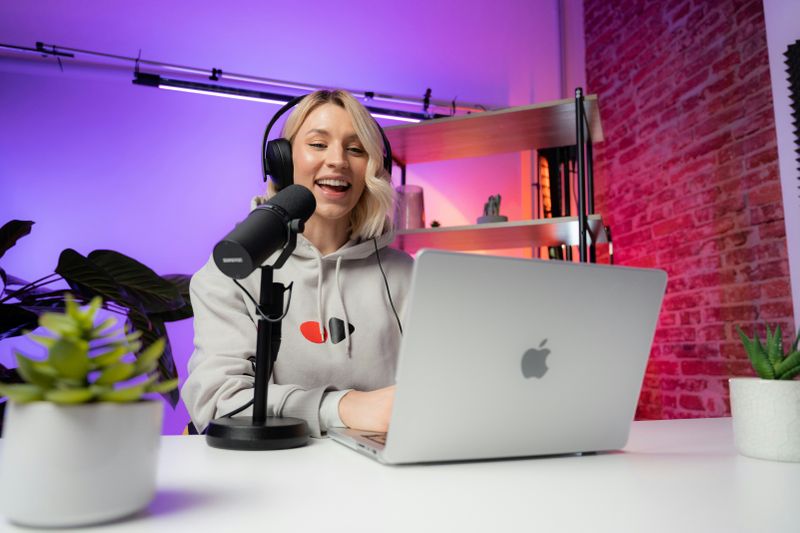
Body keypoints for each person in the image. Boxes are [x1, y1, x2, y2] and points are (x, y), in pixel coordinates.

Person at [182, 89, 413, 437]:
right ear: (282, 161)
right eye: (318, 144)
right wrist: (343, 407)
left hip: (389, 473)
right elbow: (217, 403)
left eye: (355, 148)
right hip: (277, 473)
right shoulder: (230, 271)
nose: (338, 160)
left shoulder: (408, 275)